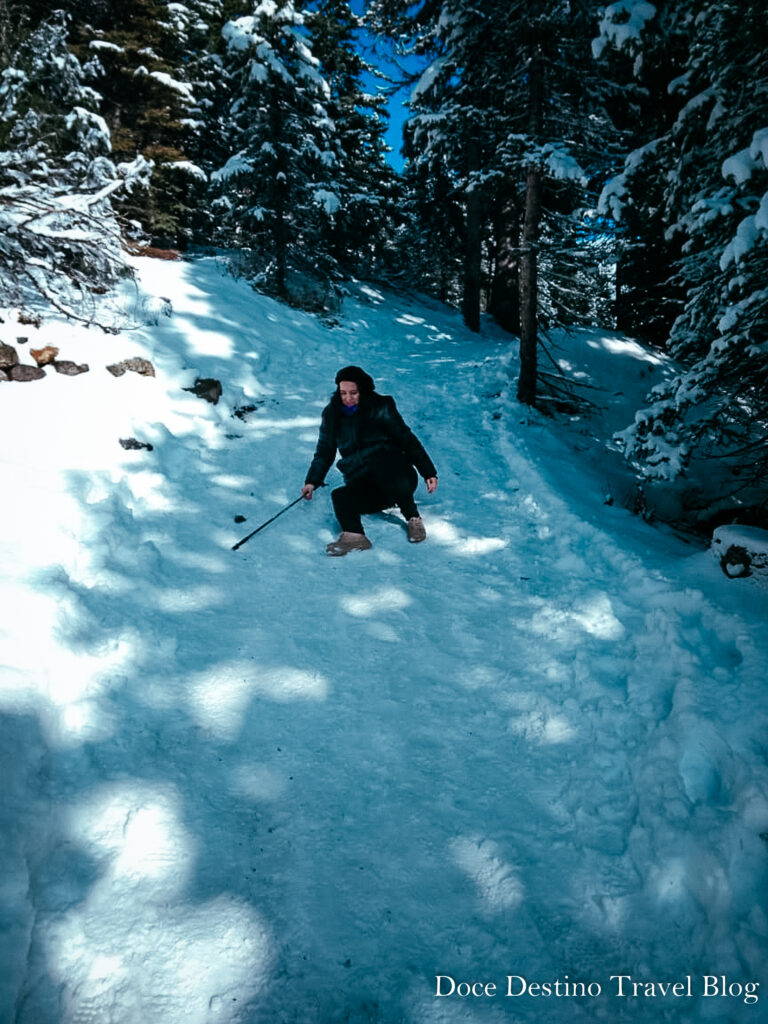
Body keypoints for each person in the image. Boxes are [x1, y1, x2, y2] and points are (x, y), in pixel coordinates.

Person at [302, 366, 438, 556]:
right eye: (343, 393)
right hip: (369, 486)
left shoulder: (381, 407)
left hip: (399, 478)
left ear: (364, 391)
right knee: (340, 495)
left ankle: (413, 517)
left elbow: (406, 439)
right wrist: (312, 481)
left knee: (381, 461)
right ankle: (354, 536)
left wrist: (428, 472)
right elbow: (324, 451)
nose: (347, 398)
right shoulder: (332, 415)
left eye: (353, 393)